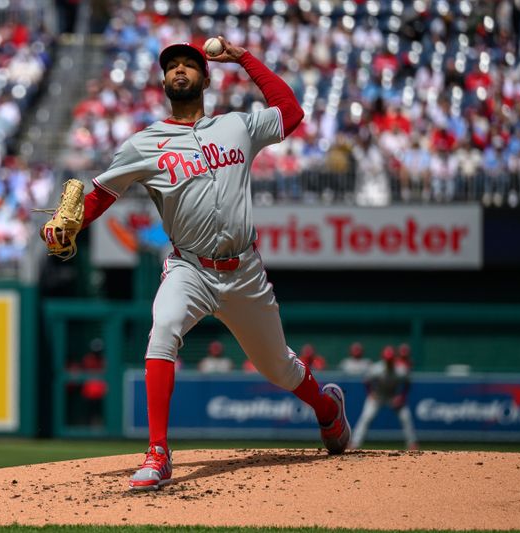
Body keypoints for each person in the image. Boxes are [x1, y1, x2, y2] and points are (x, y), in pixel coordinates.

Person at [41, 37, 350, 491]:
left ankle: (326, 409)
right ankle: (158, 452)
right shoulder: (144, 143)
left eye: (189, 64)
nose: (180, 70)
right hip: (190, 268)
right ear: (164, 81)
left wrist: (244, 58)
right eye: (172, 66)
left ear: (206, 78)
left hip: (243, 271)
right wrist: (69, 226)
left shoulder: (237, 126)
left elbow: (292, 111)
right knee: (162, 329)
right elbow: (101, 195)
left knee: (278, 369)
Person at [350, 346, 419, 451]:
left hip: (393, 396)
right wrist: (370, 393)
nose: (389, 361)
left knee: (405, 418)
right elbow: (366, 381)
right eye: (387, 359)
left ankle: (412, 443)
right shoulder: (376, 368)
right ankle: (355, 443)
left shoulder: (401, 369)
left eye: (390, 359)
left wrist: (402, 396)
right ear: (383, 358)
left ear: (394, 359)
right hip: (378, 396)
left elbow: (408, 383)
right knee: (366, 417)